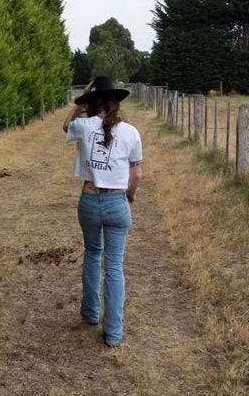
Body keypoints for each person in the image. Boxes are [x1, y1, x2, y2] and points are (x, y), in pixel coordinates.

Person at [63, 76, 142, 347]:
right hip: (117, 202)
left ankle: (90, 313)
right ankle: (113, 333)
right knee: (115, 266)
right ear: (116, 103)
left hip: (89, 200)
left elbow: (65, 126)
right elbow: (137, 173)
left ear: (92, 103)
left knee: (93, 254)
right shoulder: (131, 132)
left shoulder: (83, 126)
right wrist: (130, 194)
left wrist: (79, 103)